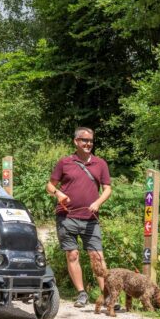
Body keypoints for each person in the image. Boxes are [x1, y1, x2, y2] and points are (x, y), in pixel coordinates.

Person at [46, 127, 112, 307]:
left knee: (97, 256)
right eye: (84, 140)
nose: (88, 143)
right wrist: (58, 194)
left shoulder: (100, 164)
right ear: (76, 142)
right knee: (72, 254)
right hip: (66, 217)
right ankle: (82, 293)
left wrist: (98, 203)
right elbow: (50, 186)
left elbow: (107, 189)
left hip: (91, 218)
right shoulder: (64, 162)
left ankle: (107, 296)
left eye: (90, 141)